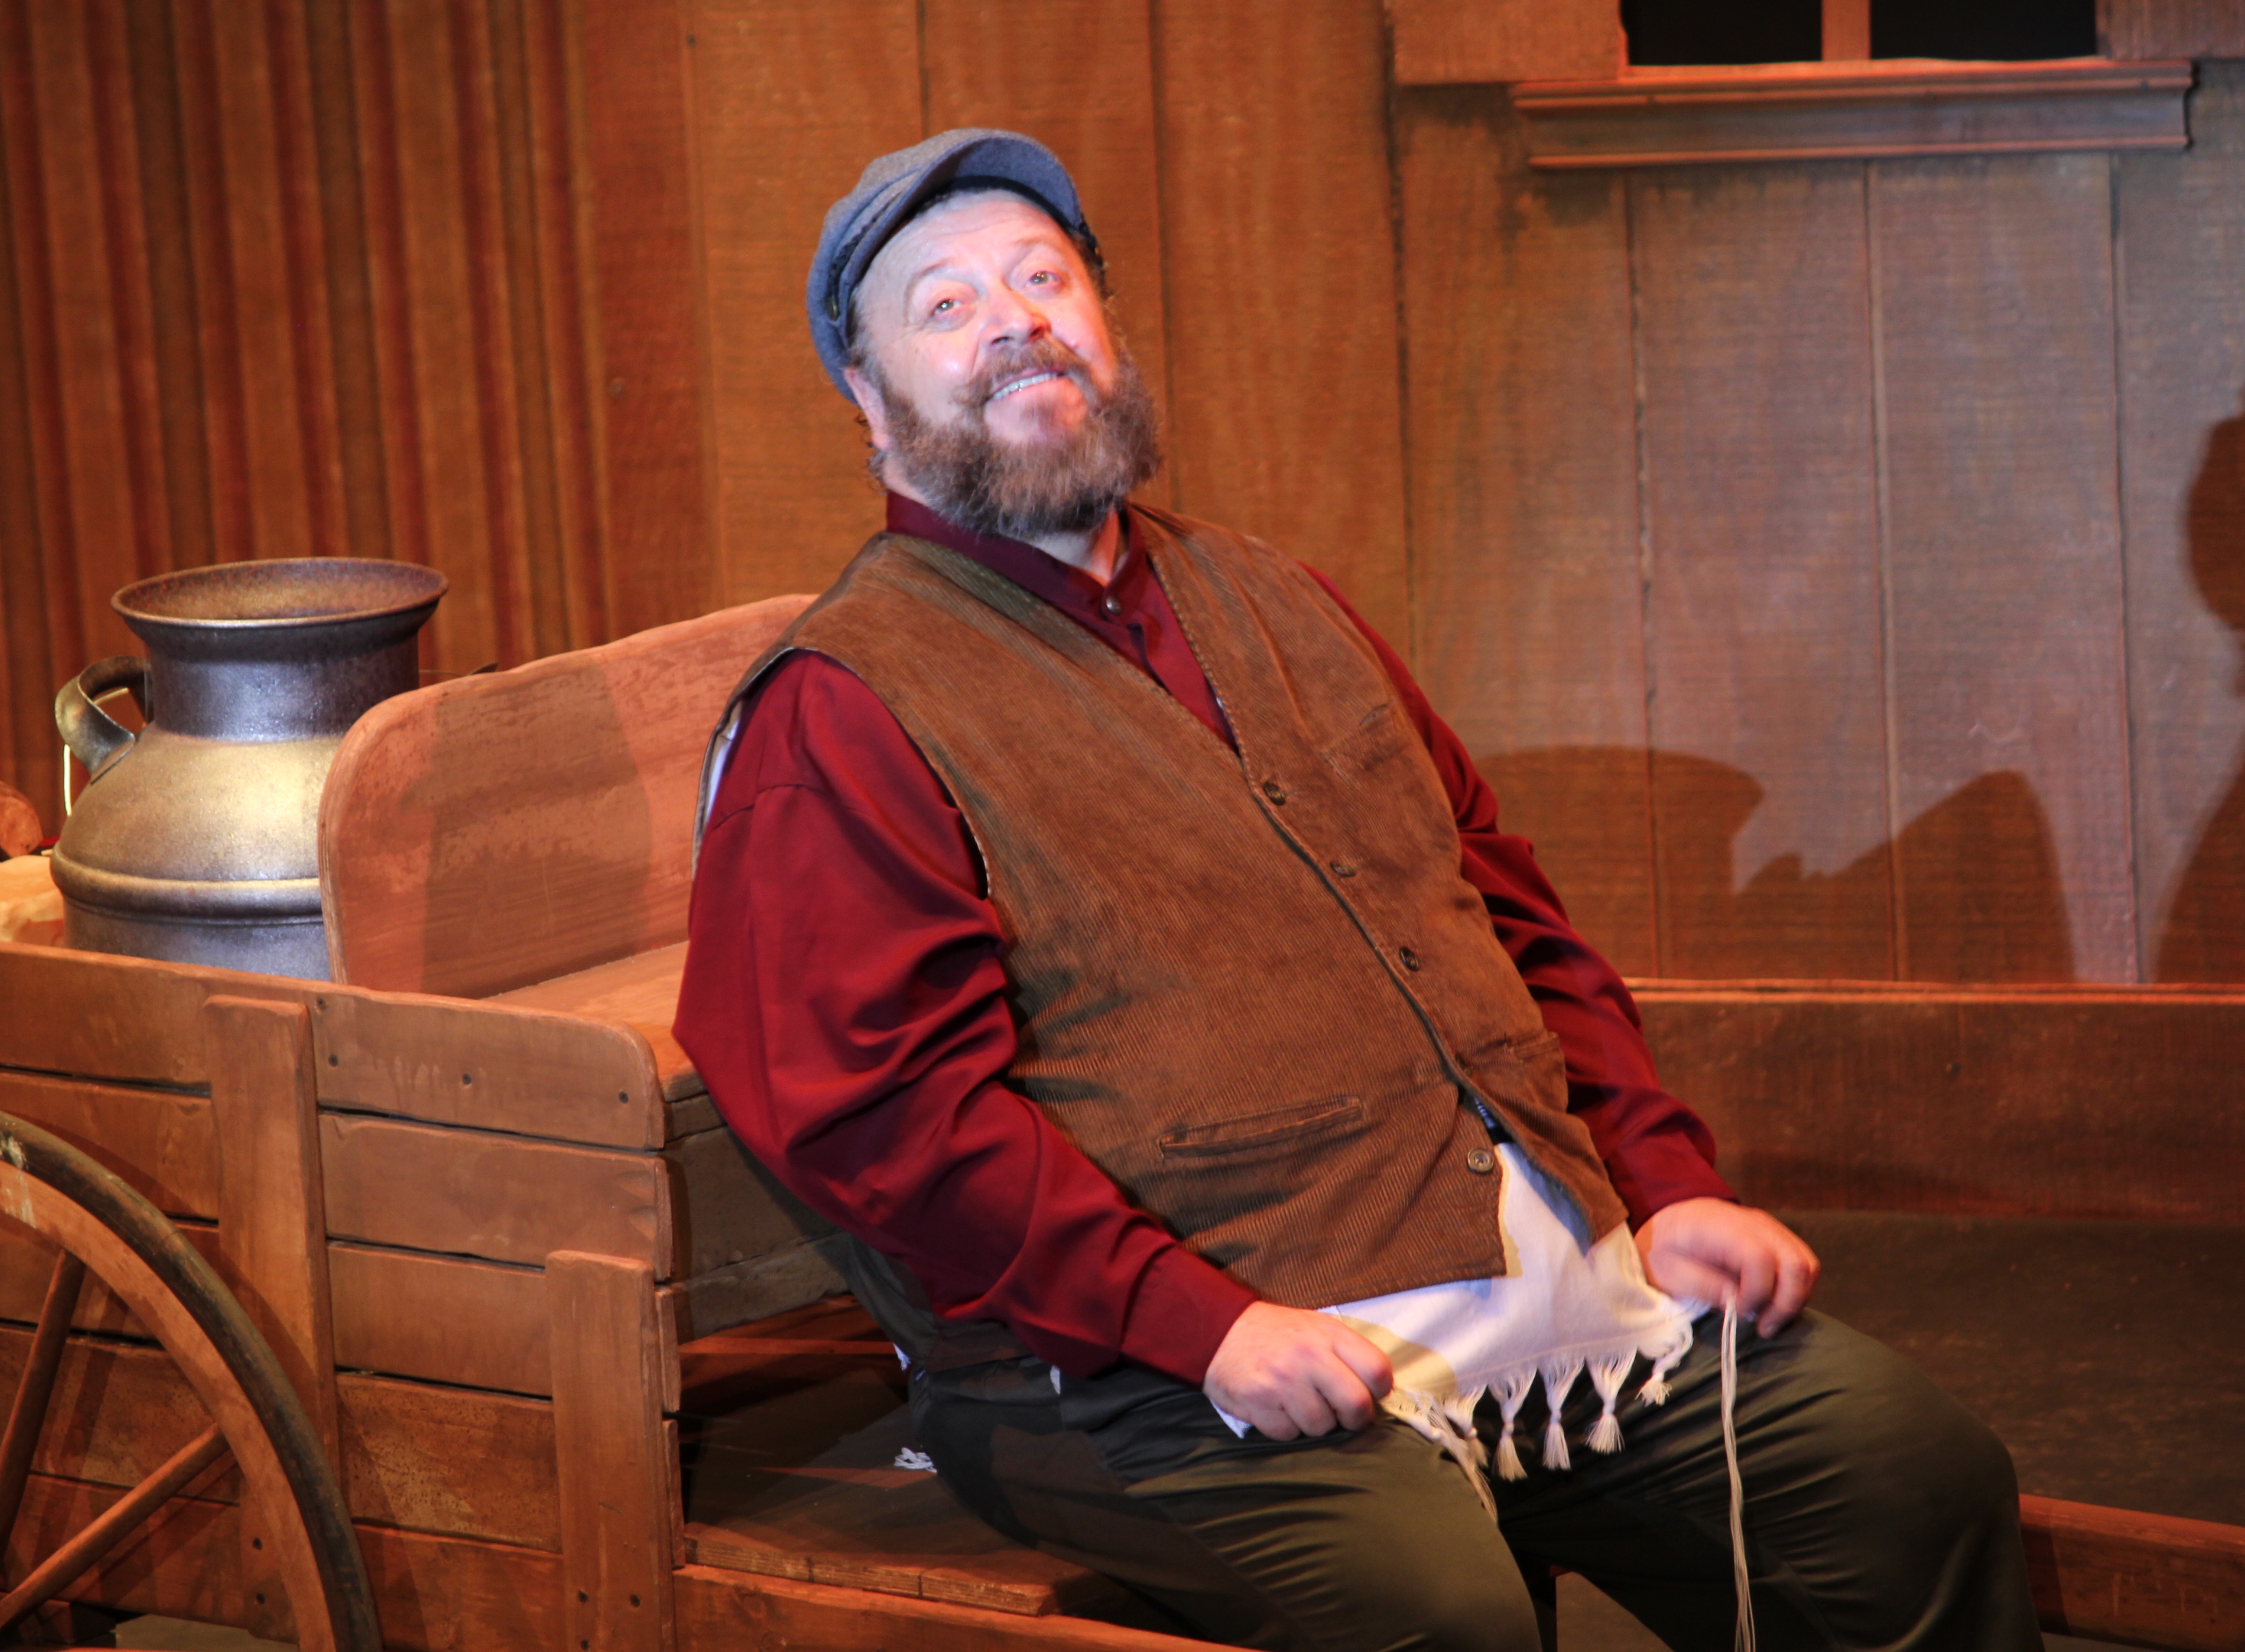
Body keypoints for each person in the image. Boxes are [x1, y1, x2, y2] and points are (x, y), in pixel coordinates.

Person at [673, 128, 2038, 1652]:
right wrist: (1205, 1327)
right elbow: (885, 1120)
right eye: (942, 308)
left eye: (1043, 276)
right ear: (869, 408)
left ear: (1107, 327)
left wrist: (1664, 1183)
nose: (1012, 319)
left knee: (1910, 1479)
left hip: (1547, 1294)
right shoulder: (846, 707)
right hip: (1146, 1370)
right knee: (1442, 1619)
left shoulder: (1275, 598)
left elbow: (1506, 914)